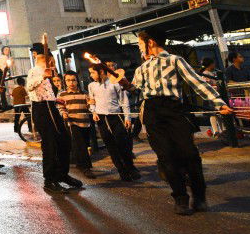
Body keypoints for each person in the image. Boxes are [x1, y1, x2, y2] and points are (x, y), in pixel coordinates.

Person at [122, 27, 232, 215]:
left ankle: (199, 196)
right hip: (152, 112)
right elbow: (136, 90)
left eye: (140, 43)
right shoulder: (142, 68)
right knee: (166, 156)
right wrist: (125, 84)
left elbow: (197, 83)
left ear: (150, 42)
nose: (139, 47)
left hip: (173, 109)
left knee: (190, 153)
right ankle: (180, 198)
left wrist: (218, 103)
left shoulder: (175, 60)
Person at [27, 41, 80, 194]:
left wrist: (56, 100)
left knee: (64, 140)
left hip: (51, 107)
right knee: (49, 145)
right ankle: (49, 180)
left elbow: (46, 93)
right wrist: (42, 76)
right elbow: (29, 87)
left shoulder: (49, 73)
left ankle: (62, 174)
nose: (54, 62)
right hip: (41, 110)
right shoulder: (35, 71)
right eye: (52, 59)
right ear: (45, 59)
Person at [87, 65, 139, 181]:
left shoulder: (115, 83)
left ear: (101, 72)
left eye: (92, 73)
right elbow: (92, 101)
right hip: (101, 119)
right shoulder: (91, 86)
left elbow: (124, 101)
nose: (91, 75)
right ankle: (121, 170)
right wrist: (93, 111)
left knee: (123, 144)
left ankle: (131, 168)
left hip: (116, 117)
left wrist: (127, 117)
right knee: (110, 146)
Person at [57, 71, 96, 179]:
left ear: (77, 81)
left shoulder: (84, 93)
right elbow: (60, 107)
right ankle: (86, 168)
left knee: (84, 144)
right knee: (81, 145)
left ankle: (79, 163)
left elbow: (90, 107)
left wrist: (91, 104)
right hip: (72, 123)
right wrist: (64, 113)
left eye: (73, 80)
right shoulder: (62, 94)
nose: (71, 83)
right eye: (68, 80)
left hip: (85, 123)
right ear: (65, 82)